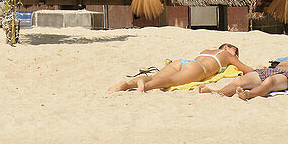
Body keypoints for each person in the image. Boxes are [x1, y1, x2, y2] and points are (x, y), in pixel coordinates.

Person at [108, 42, 254, 92]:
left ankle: (126, 85)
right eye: (236, 52)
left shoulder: (205, 51)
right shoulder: (225, 54)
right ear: (226, 47)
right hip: (197, 68)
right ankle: (146, 86)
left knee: (154, 76)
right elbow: (247, 69)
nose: (236, 56)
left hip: (182, 61)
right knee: (170, 81)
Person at [199, 53, 288, 100]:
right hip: (272, 70)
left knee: (270, 82)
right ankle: (218, 92)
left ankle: (249, 94)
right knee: (240, 80)